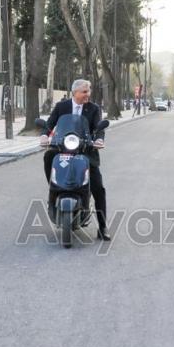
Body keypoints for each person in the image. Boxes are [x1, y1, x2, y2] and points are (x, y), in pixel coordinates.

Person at [40, 79, 110, 241]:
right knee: (48, 155)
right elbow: (49, 124)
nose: (88, 94)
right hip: (62, 148)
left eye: (89, 91)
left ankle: (103, 226)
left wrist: (99, 139)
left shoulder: (93, 109)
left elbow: (98, 127)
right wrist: (45, 135)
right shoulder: (61, 106)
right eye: (85, 91)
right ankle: (54, 185)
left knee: (98, 187)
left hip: (85, 150)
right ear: (75, 92)